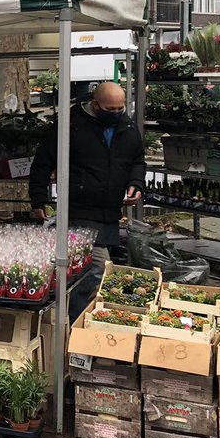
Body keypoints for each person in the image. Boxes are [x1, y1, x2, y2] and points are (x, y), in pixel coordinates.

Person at [28, 81, 144, 321]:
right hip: (79, 211)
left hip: (109, 212)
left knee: (87, 270)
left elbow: (137, 160)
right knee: (97, 267)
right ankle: (72, 321)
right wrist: (38, 200)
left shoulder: (128, 126)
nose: (116, 114)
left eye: (119, 108)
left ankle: (73, 319)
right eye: (110, 109)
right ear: (95, 104)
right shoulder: (71, 125)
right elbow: (43, 161)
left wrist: (136, 183)